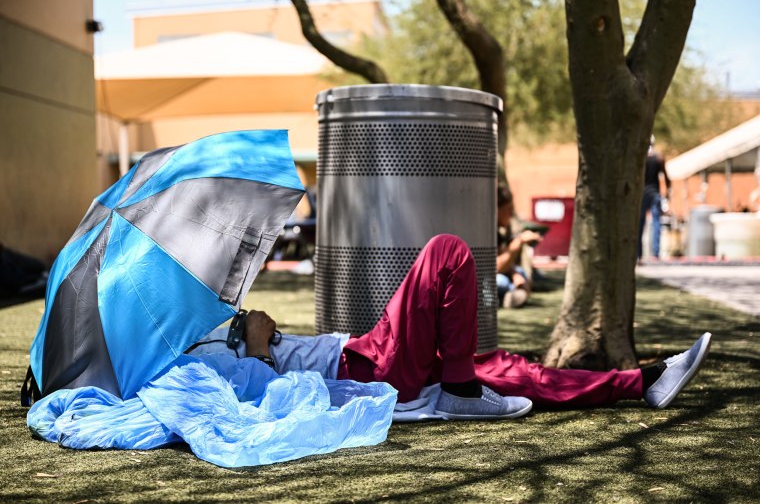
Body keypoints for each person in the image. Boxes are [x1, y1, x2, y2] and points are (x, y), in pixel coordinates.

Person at [192, 234, 711, 421]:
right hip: (362, 371)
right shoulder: (188, 360)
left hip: (360, 353)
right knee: (447, 252)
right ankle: (460, 388)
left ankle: (643, 382)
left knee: (509, 370)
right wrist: (258, 345)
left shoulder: (201, 322)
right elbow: (261, 401)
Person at [496, 187, 542, 308]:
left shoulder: (497, 232)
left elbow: (503, 261)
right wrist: (519, 241)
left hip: (500, 274)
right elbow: (496, 267)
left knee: (520, 272)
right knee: (501, 282)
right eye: (508, 209)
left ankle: (513, 296)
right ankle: (505, 298)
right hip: (484, 280)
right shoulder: (486, 231)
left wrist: (516, 274)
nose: (511, 213)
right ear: (497, 209)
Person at [638, 137, 672, 260]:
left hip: (642, 194)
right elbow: (667, 179)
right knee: (656, 223)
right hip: (654, 194)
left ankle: (639, 254)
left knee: (640, 224)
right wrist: (668, 195)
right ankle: (655, 254)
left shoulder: (640, 159)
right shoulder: (658, 158)